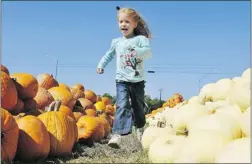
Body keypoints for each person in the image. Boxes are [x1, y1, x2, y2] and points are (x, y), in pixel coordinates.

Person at [97, 6, 152, 148]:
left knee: (138, 107)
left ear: (134, 24)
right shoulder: (116, 42)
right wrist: (101, 64)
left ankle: (140, 128)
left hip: (138, 80)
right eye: (121, 21)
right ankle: (117, 134)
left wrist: (136, 51)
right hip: (121, 79)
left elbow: (148, 53)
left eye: (127, 22)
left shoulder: (140, 39)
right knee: (122, 104)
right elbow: (109, 54)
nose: (123, 25)